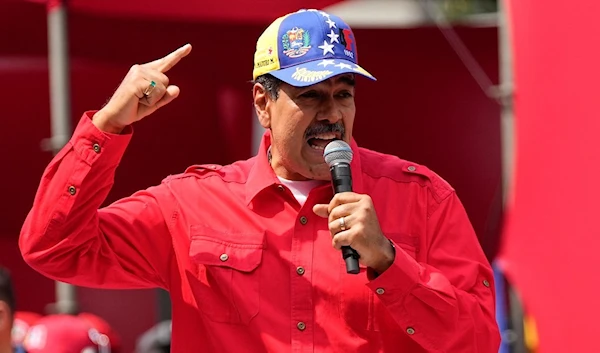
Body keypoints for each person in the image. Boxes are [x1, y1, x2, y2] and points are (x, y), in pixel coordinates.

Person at [20, 8, 500, 352]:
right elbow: (53, 247)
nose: (332, 113)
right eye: (310, 95)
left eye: (343, 93)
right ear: (262, 102)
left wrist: (390, 263)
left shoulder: (422, 198)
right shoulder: (191, 203)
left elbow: (479, 341)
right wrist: (107, 126)